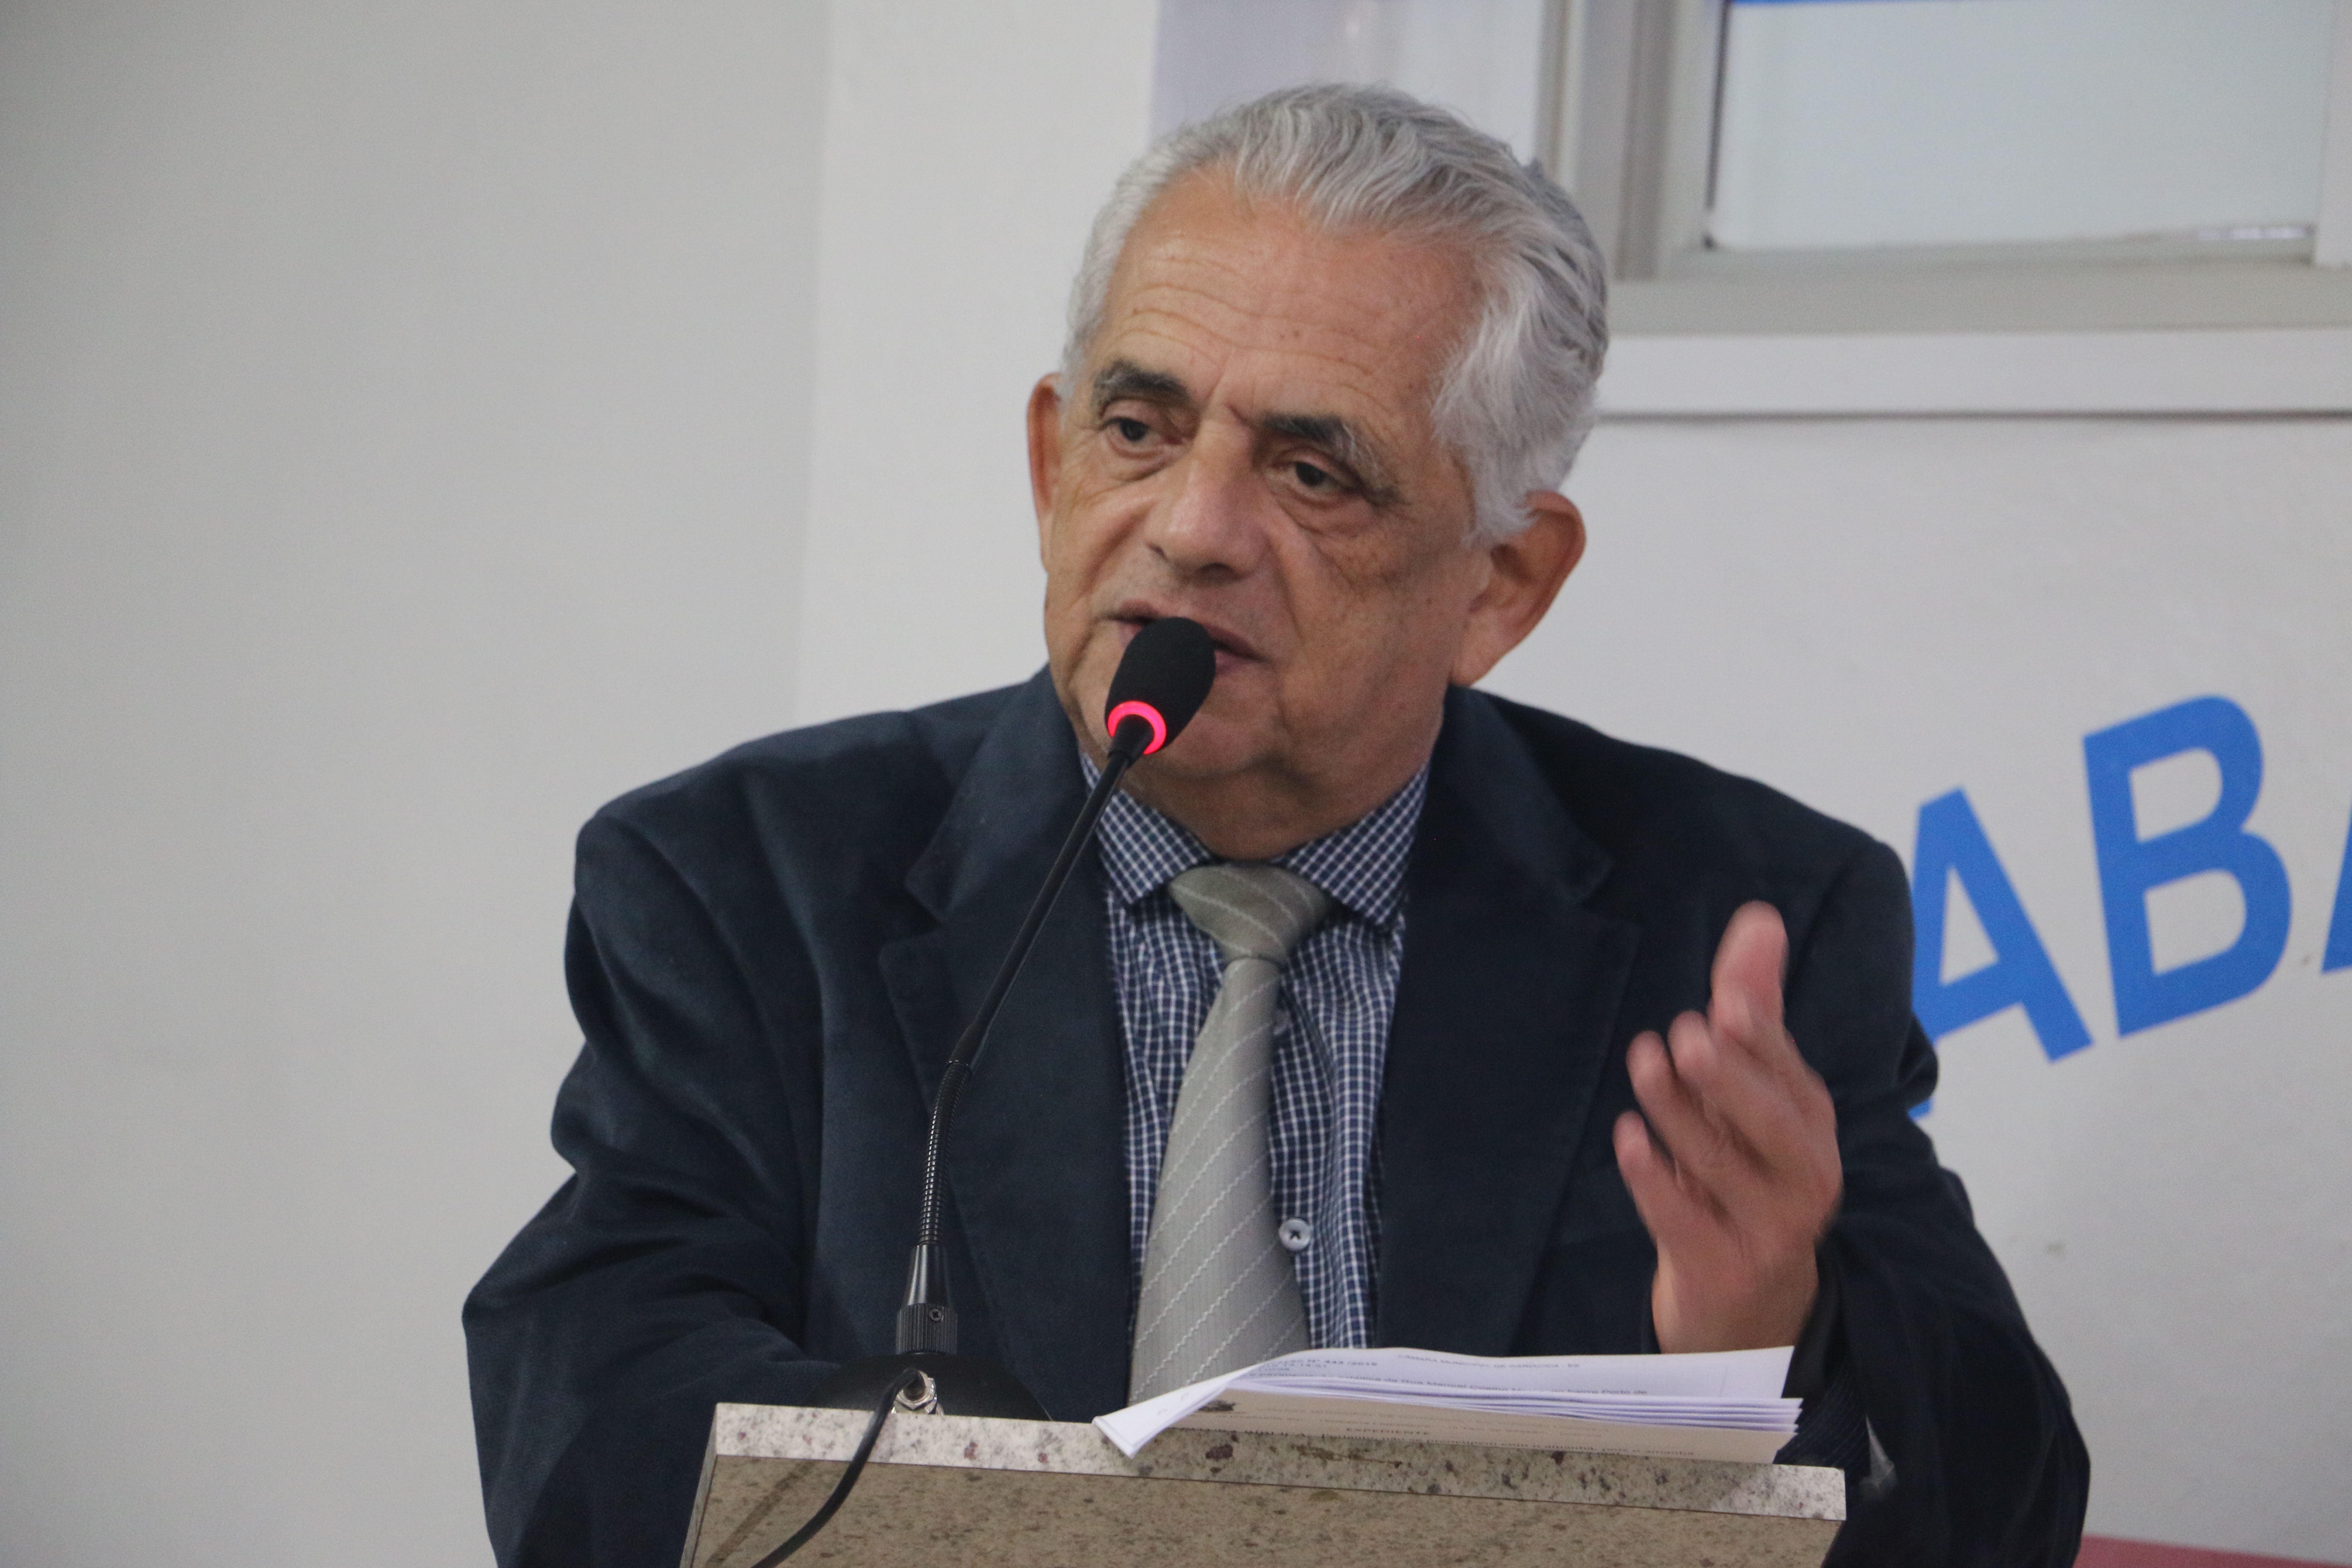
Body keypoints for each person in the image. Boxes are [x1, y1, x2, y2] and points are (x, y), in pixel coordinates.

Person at [466, 85, 2088, 1567]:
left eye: (1314, 474)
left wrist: (1775, 1332)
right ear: (1049, 465)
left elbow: (2004, 1515)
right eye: (1138, 430)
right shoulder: (747, 883)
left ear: (1503, 584)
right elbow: (588, 1426)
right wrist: (1017, 1508)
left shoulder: (1743, 921)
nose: (1191, 529)